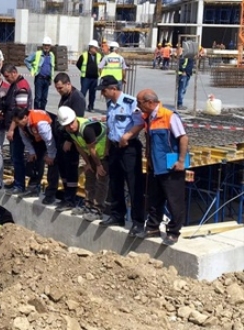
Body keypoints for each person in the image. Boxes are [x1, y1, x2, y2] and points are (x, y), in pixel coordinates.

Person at [137, 89, 188, 246]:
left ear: (150, 102)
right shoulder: (148, 118)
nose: (138, 106)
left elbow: (183, 138)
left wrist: (181, 161)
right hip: (156, 166)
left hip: (171, 165)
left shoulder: (169, 116)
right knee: (154, 198)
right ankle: (152, 227)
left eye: (140, 103)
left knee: (174, 200)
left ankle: (173, 232)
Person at [96, 76, 145, 235]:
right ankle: (117, 215)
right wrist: (107, 148)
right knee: (115, 183)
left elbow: (140, 123)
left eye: (104, 90)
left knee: (133, 185)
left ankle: (138, 222)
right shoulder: (110, 105)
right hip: (115, 148)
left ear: (113, 89)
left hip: (129, 148)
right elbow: (110, 128)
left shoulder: (130, 103)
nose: (102, 94)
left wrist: (127, 136)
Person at [57, 107, 109, 222]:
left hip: (104, 153)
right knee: (89, 176)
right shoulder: (70, 130)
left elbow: (93, 149)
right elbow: (79, 147)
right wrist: (88, 163)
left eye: (71, 123)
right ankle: (88, 205)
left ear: (75, 118)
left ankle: (97, 209)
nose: (70, 127)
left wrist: (99, 165)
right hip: (93, 154)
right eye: (67, 125)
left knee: (101, 179)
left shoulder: (87, 129)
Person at [54, 73, 86, 211]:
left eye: (60, 88)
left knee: (71, 169)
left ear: (68, 84)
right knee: (63, 168)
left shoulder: (76, 98)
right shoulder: (65, 96)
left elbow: (75, 122)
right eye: (57, 88)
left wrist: (69, 140)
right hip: (61, 138)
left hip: (70, 140)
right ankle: (66, 196)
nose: (58, 91)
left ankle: (70, 199)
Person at [13, 108, 59, 205]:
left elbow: (49, 140)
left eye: (18, 122)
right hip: (39, 138)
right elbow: (24, 138)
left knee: (52, 164)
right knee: (33, 161)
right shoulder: (23, 125)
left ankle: (51, 195)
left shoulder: (40, 123)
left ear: (25, 118)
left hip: (53, 136)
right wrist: (32, 152)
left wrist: (51, 155)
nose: (18, 125)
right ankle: (33, 187)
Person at [1, 64, 32, 196]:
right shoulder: (15, 85)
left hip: (19, 127)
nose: (7, 80)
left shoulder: (21, 87)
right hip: (14, 124)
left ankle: (20, 185)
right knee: (15, 157)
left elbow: (20, 111)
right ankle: (17, 181)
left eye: (7, 77)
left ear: (14, 72)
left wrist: (12, 129)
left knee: (17, 156)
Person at [25, 37, 55, 110]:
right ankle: (36, 112)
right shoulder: (37, 54)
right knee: (38, 97)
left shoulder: (51, 55)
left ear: (50, 46)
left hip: (47, 79)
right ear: (42, 46)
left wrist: (51, 78)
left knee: (44, 98)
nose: (46, 47)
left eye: (48, 45)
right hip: (39, 78)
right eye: (45, 45)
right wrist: (32, 70)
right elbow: (27, 61)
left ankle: (42, 111)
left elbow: (52, 67)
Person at [75, 40, 102, 111]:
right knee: (83, 93)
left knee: (92, 94)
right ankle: (80, 106)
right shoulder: (84, 55)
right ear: (91, 48)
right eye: (95, 48)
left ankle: (91, 107)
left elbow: (102, 65)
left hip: (94, 78)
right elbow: (78, 64)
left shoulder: (99, 56)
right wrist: (84, 70)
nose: (96, 50)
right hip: (86, 78)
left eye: (97, 48)